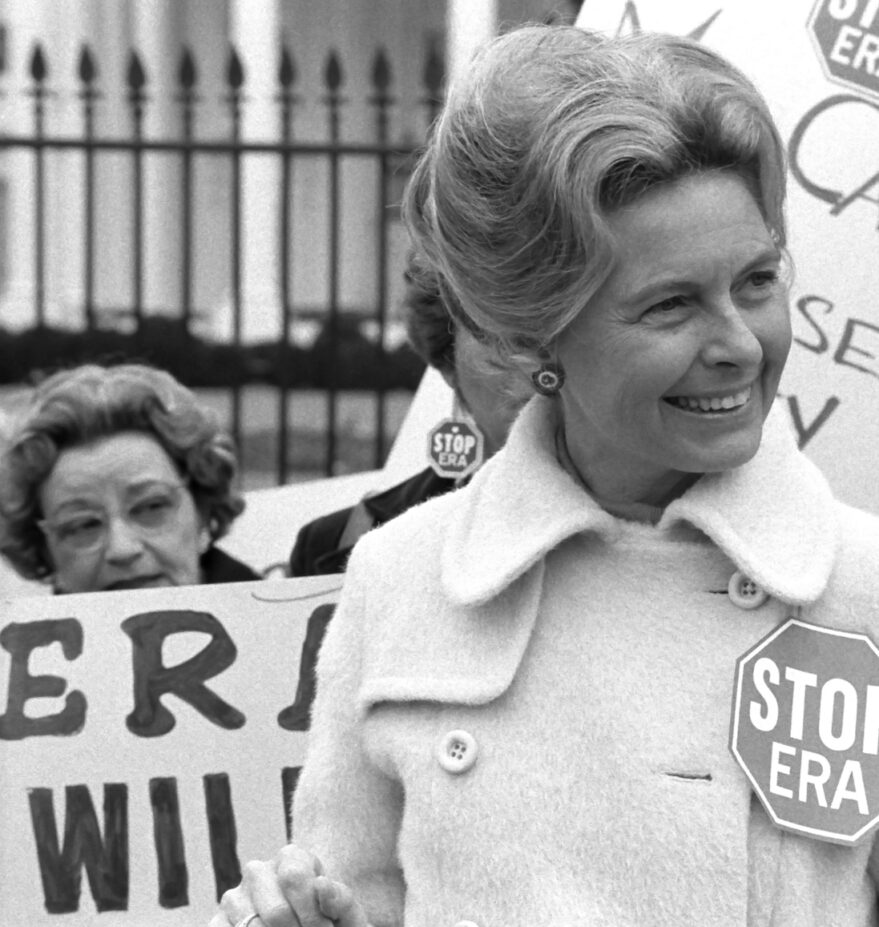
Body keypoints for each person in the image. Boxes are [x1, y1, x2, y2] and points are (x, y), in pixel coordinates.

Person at [212, 24, 879, 927]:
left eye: (757, 281)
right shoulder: (401, 579)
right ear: (538, 337)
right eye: (669, 304)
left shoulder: (861, 584)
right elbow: (354, 890)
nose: (736, 345)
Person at [280, 253, 520, 731]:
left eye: (560, 326)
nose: (538, 364)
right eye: (500, 335)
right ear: (449, 367)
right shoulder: (339, 543)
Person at [0, 362, 259, 593]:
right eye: (83, 525)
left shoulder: (286, 631)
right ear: (45, 551)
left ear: (203, 512)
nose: (122, 549)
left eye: (151, 507)